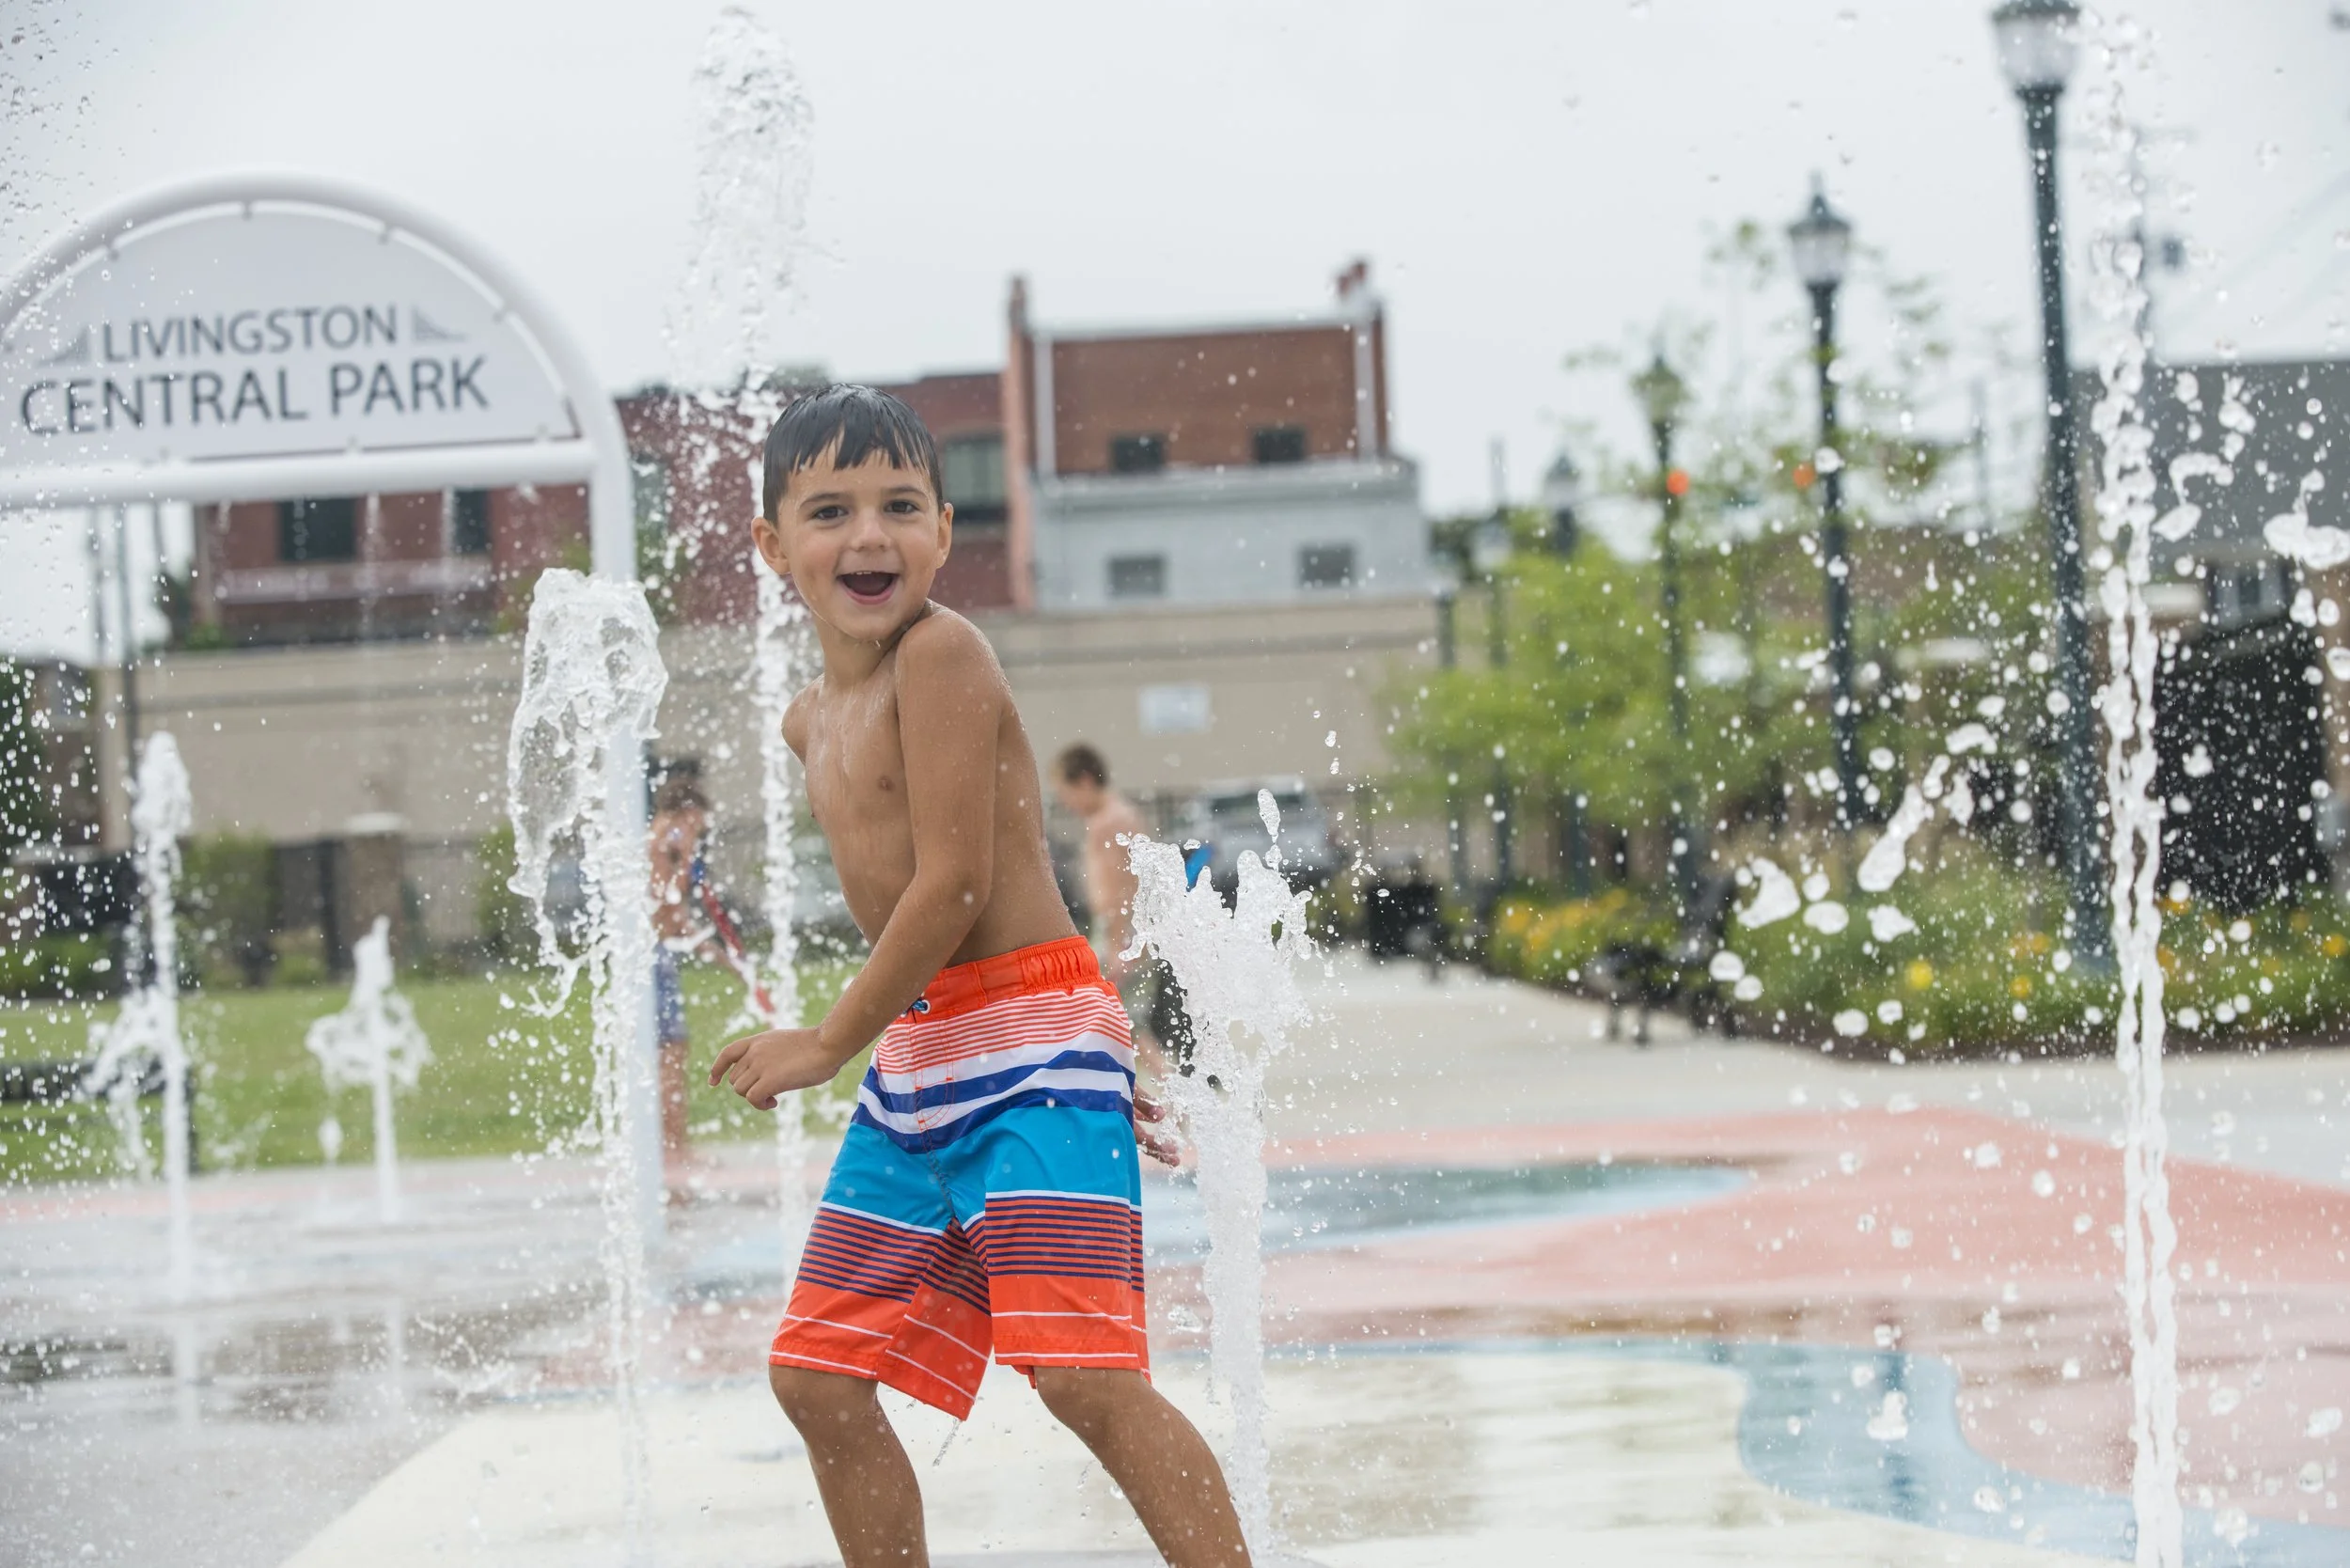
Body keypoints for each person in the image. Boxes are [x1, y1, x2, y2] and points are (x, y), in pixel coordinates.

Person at [709, 384, 1251, 1568]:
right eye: (830, 510)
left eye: (902, 506)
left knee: (1082, 1376)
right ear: (770, 545)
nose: (869, 537)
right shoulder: (810, 719)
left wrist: (822, 1042)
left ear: (945, 533)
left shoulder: (941, 655)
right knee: (816, 1376)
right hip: (927, 1046)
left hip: (1030, 1033)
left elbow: (953, 885)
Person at [1050, 742, 1195, 1078]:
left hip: (1119, 933)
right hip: (1128, 930)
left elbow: (1119, 890)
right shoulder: (1122, 815)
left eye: (1066, 792)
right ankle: (1171, 1093)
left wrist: (1118, 945)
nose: (1066, 803)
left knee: (1123, 1023)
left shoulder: (1108, 822)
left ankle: (1172, 1095)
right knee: (1127, 1024)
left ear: (1085, 781)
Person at [647, 768, 713, 1179]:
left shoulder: (659, 841)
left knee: (669, 1055)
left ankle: (674, 1148)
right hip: (652, 958)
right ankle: (673, 1152)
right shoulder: (666, 841)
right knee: (670, 1055)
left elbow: (675, 915)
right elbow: (665, 906)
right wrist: (684, 860)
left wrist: (713, 952)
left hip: (656, 956)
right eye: (699, 825)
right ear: (687, 814)